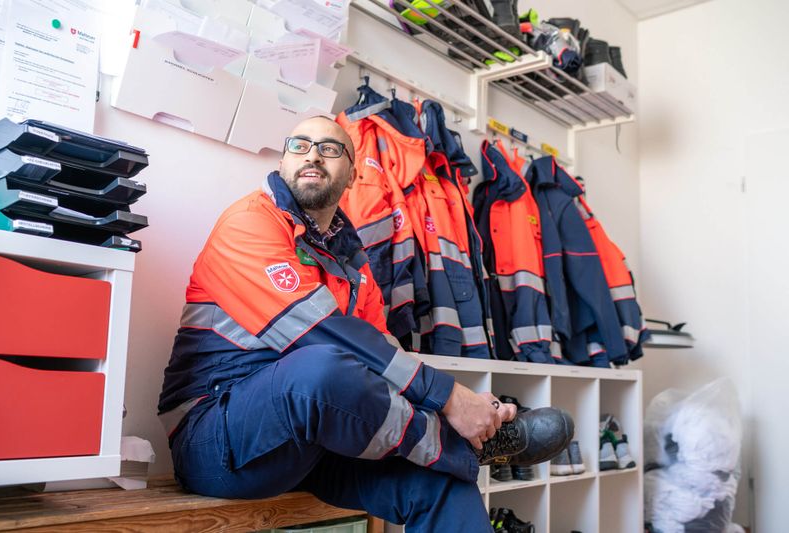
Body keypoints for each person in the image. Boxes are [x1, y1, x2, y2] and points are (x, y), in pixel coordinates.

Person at [158, 116, 573, 532]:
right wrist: (451, 402)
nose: (314, 155)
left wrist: (462, 404)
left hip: (312, 444)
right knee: (319, 367)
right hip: (216, 439)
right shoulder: (249, 223)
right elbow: (319, 337)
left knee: (443, 481)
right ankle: (463, 443)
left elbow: (383, 356)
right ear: (283, 161)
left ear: (353, 175)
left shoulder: (353, 262)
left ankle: (461, 446)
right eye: (300, 145)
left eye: (331, 148)